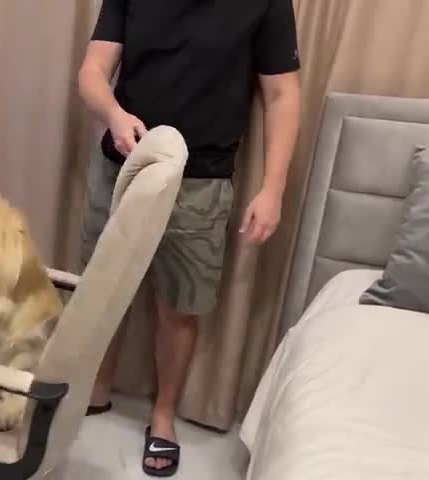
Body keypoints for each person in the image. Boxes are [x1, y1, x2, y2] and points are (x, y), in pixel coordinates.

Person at [78, 0, 301, 476]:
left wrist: (274, 188)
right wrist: (115, 115)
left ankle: (163, 416)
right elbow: (93, 71)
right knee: (100, 289)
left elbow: (282, 93)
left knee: (179, 305)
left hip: (202, 177)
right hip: (123, 164)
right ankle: (94, 387)